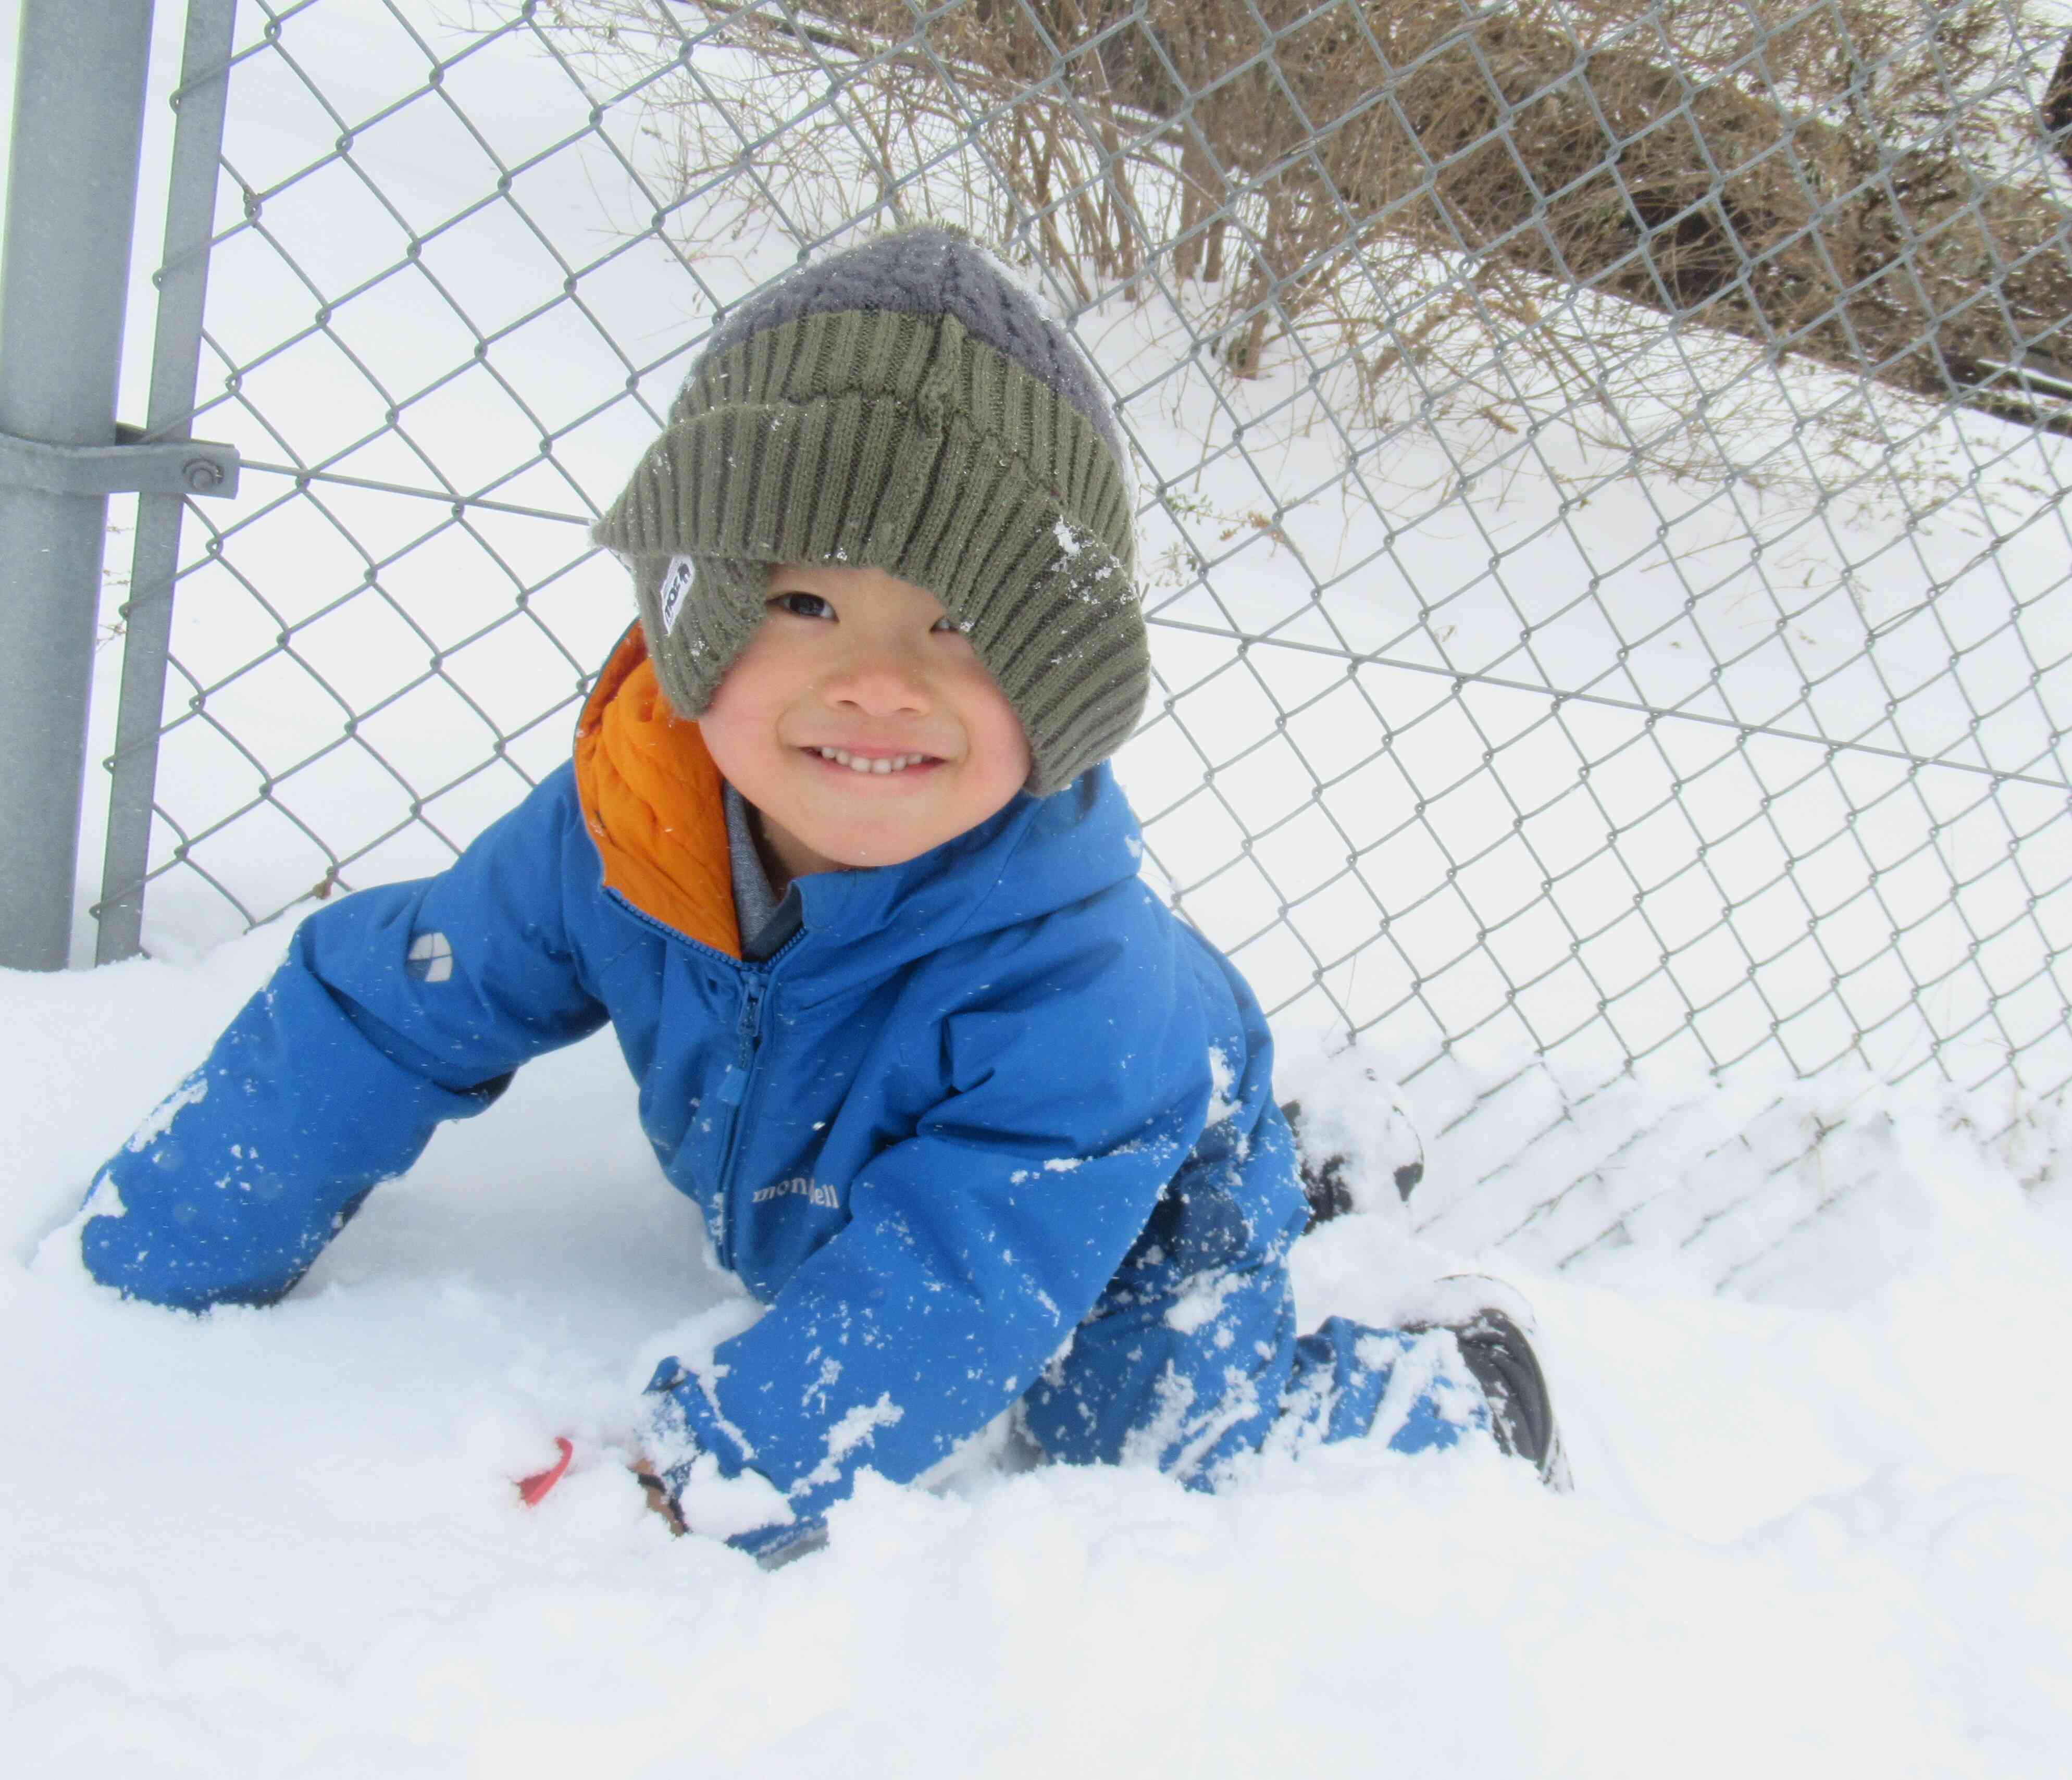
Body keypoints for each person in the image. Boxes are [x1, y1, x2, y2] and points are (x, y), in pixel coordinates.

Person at [56, 225, 1564, 1560]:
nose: (878, 681)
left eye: (964, 621)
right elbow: (396, 1008)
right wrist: (150, 1266)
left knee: (1153, 1439)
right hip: (864, 1182)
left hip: (1123, 1184)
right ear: (700, 614)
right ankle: (1327, 1161)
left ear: (1058, 674)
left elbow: (956, 1279)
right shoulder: (625, 826)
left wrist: (700, 1474)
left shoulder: (1075, 982)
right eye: (805, 600)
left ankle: (1445, 1373)